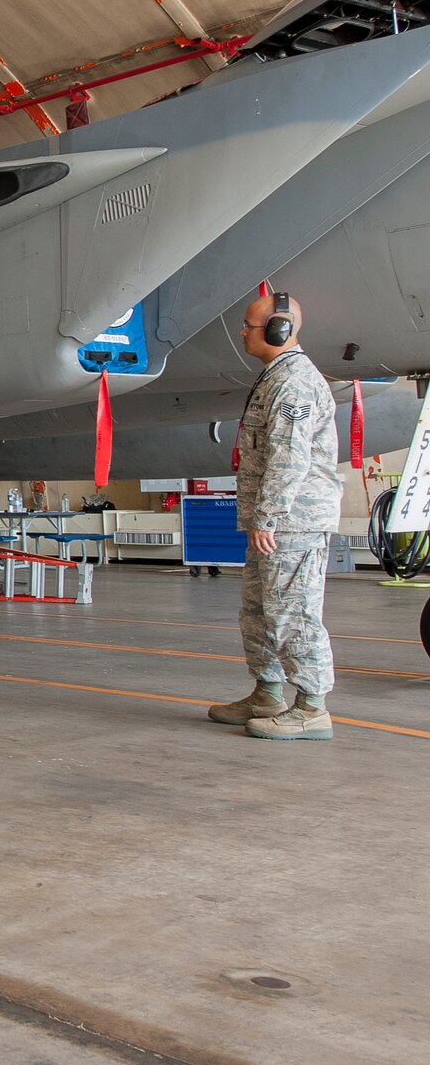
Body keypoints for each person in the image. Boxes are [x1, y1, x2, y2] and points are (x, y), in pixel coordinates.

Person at [211, 292, 343, 741]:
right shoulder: (275, 377)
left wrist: (267, 516)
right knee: (260, 610)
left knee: (294, 612)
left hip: (293, 522)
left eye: (249, 325)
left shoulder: (294, 382)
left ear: (278, 330)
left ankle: (312, 707)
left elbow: (290, 457)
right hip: (272, 522)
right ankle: (268, 692)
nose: (243, 333)